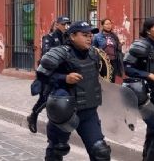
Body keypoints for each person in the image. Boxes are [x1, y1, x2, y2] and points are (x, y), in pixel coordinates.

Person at [37, 21, 111, 161]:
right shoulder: (60, 53)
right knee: (57, 150)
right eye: (85, 35)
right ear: (72, 36)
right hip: (65, 112)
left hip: (88, 112)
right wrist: (64, 78)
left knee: (100, 152)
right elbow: (41, 75)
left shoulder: (93, 54)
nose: (89, 38)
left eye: (90, 35)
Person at [123, 17, 154, 160]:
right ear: (148, 30)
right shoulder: (141, 45)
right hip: (145, 97)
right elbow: (127, 68)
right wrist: (149, 75)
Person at [27, 16, 71, 133]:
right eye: (64, 23)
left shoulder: (68, 38)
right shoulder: (49, 38)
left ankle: (57, 124)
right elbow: (48, 54)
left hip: (64, 73)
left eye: (68, 23)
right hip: (50, 74)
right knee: (45, 98)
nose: (66, 26)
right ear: (57, 24)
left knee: (61, 98)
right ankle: (33, 116)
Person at [93, 18, 124, 83]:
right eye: (107, 24)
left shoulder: (114, 36)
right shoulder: (97, 36)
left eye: (110, 24)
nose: (109, 26)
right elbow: (93, 49)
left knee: (112, 79)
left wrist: (120, 44)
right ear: (102, 25)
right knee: (103, 79)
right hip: (103, 62)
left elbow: (117, 49)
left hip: (113, 61)